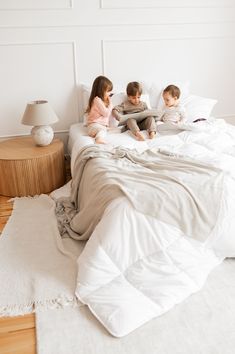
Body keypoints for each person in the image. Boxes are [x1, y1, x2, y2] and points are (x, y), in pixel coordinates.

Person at [86, 75, 113, 144]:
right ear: (100, 91)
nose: (109, 94)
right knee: (103, 131)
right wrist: (110, 103)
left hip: (97, 127)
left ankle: (99, 136)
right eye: (108, 91)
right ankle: (98, 139)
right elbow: (106, 114)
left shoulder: (100, 101)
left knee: (107, 130)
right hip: (93, 126)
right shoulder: (97, 100)